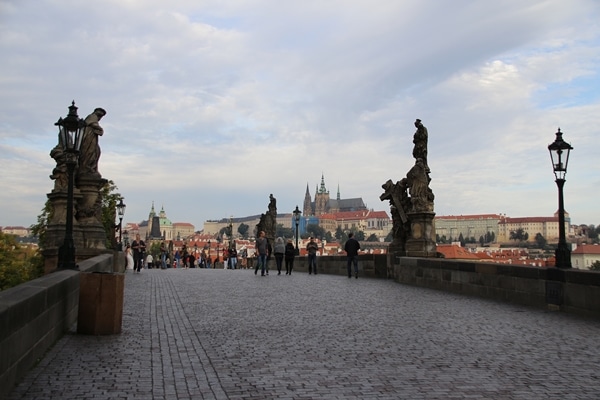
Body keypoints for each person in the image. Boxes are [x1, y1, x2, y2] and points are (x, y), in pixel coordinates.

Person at [79, 108, 106, 177]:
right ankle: (86, 168)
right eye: (100, 116)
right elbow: (93, 124)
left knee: (96, 151)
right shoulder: (92, 116)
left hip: (92, 138)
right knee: (89, 152)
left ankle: (91, 167)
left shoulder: (94, 118)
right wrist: (100, 129)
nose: (100, 118)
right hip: (88, 138)